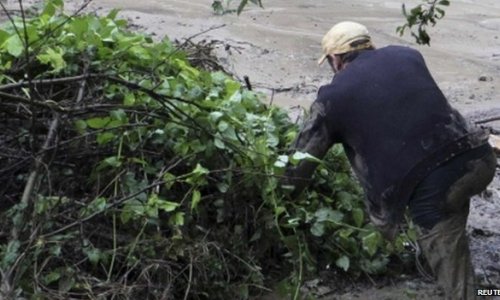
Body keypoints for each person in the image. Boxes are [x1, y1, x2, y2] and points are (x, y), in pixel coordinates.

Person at [284, 21, 497, 299]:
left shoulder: (332, 98)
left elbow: (298, 164)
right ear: (368, 44)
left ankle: (488, 293)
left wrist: (281, 196)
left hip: (436, 188)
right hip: (479, 159)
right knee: (453, 222)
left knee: (461, 288)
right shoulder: (407, 55)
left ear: (335, 59)